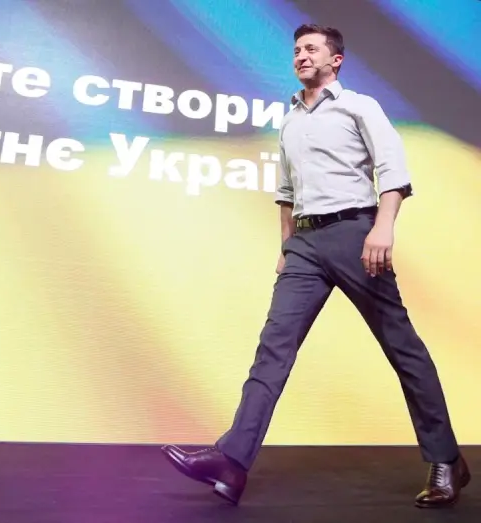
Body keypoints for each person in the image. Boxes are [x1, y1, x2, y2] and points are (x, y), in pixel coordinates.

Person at [160, 23, 469, 509]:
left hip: (355, 234)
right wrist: (286, 247)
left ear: (335, 59)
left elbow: (393, 171)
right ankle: (232, 461)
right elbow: (286, 191)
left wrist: (382, 228)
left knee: (401, 347)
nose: (301, 56)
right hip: (304, 244)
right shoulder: (289, 121)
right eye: (296, 50)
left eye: (310, 49)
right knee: (273, 349)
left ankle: (446, 460)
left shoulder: (360, 107)